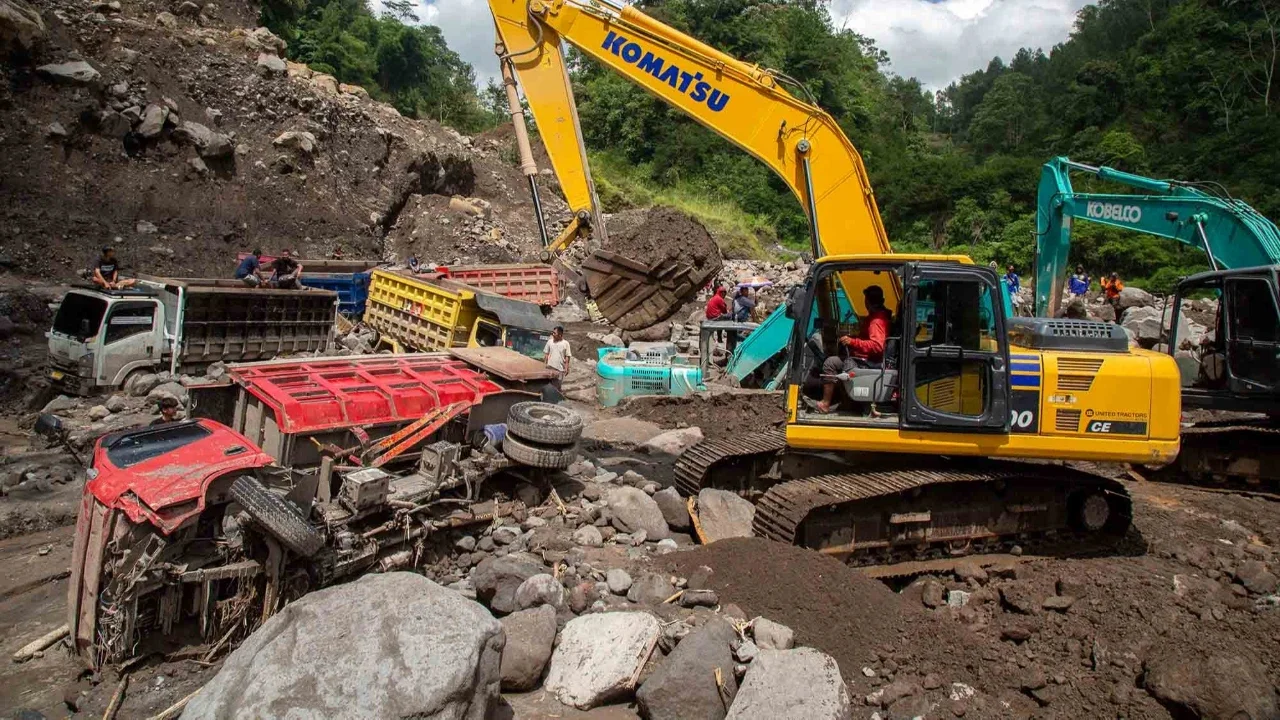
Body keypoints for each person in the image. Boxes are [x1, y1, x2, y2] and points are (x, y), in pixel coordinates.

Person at [805, 285, 891, 413]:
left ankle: (825, 403)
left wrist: (853, 341)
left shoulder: (876, 321)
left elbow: (877, 345)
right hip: (869, 358)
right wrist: (854, 339)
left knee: (830, 363)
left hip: (867, 361)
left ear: (867, 301)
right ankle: (845, 403)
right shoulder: (881, 316)